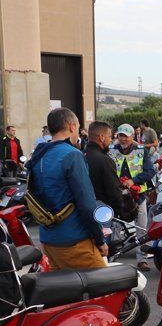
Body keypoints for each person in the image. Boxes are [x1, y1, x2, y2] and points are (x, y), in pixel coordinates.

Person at [28, 108, 106, 269]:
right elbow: (87, 205)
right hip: (74, 240)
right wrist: (100, 240)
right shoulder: (72, 155)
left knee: (65, 292)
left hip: (48, 239)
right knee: (107, 289)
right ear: (71, 127)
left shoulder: (39, 154)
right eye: (77, 128)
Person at [110, 123, 155, 271]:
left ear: (132, 137)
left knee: (141, 228)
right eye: (120, 135)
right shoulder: (111, 150)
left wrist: (133, 181)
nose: (122, 139)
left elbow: (150, 172)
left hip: (138, 195)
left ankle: (142, 260)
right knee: (115, 226)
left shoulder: (141, 151)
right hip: (117, 195)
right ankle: (113, 257)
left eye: (125, 136)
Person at [84, 121, 124, 217]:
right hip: (104, 214)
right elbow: (114, 193)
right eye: (109, 137)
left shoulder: (80, 155)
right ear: (102, 137)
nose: (111, 140)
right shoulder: (105, 160)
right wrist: (121, 212)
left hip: (84, 213)